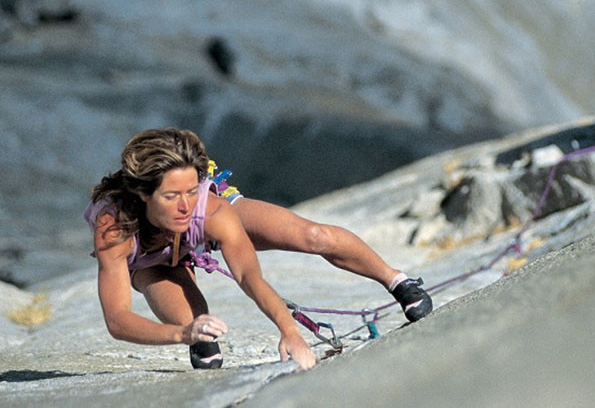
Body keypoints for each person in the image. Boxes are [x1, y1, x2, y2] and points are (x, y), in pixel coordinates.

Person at [85, 128, 432, 370]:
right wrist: (182, 334)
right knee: (199, 330)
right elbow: (117, 319)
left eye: (192, 191)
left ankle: (397, 281)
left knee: (314, 236)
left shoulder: (211, 211)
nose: (185, 206)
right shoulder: (115, 228)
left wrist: (289, 331)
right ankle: (196, 336)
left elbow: (249, 275)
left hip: (205, 230)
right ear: (143, 193)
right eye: (171, 196)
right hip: (153, 261)